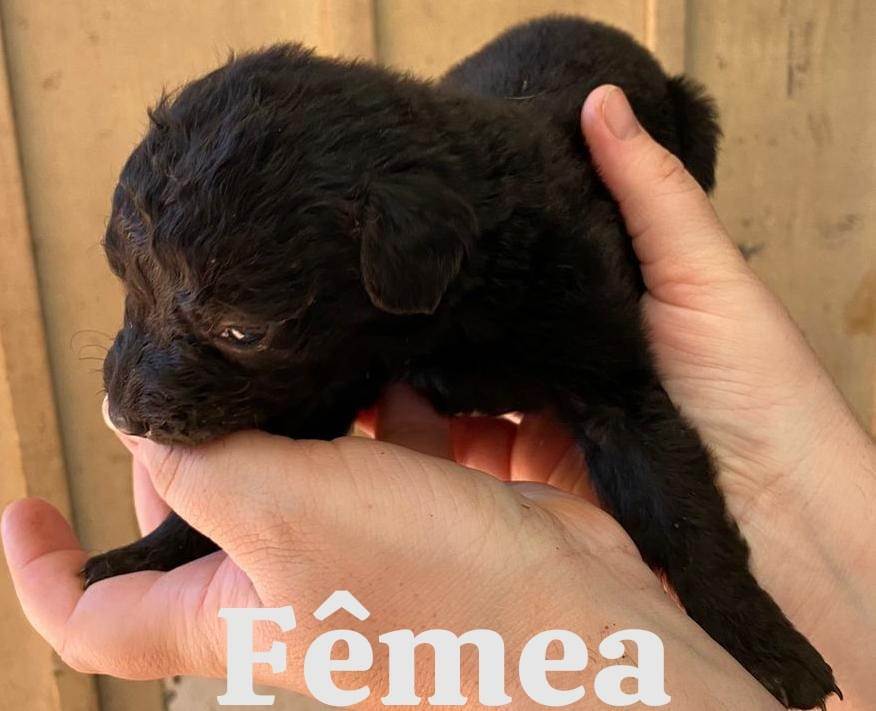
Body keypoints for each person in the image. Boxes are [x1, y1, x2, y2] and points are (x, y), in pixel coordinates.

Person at [3, 86, 874, 709]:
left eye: (232, 329)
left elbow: (625, 414)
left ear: (406, 258)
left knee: (681, 124)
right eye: (133, 285)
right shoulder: (361, 270)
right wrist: (178, 542)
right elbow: (315, 397)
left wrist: (736, 615)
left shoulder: (545, 263)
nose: (131, 390)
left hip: (541, 279)